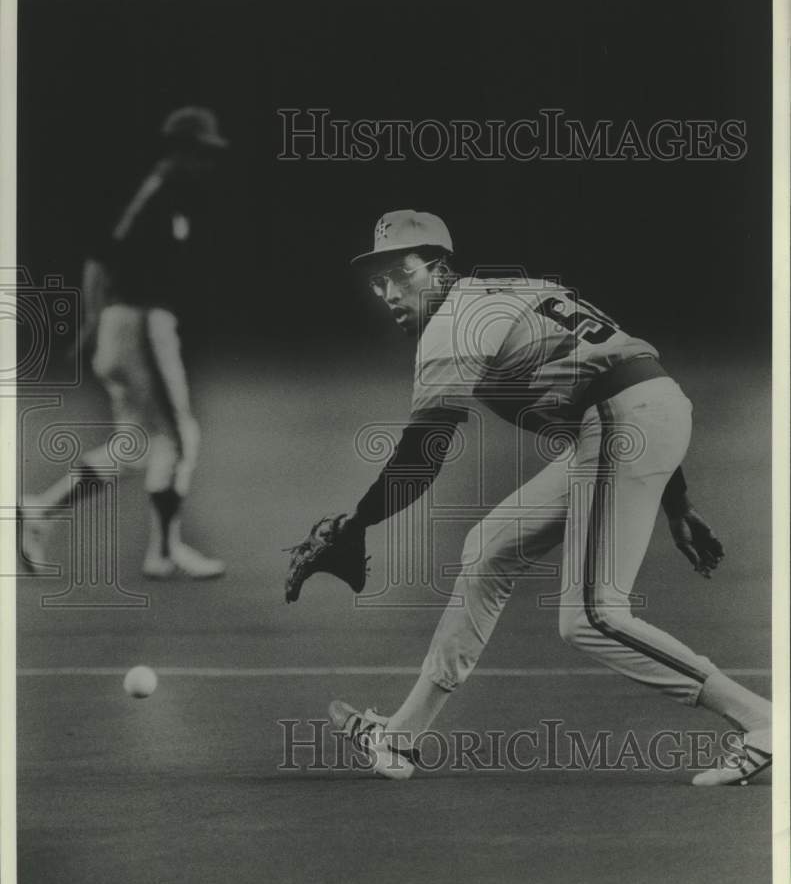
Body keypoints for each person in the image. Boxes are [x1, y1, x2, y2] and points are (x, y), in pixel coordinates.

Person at [328, 209, 771, 787]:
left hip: (621, 420)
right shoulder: (514, 289)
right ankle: (401, 737)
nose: (389, 291)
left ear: (438, 267)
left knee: (589, 617)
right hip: (632, 416)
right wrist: (676, 502)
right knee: (489, 547)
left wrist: (357, 525)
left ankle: (762, 722)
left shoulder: (453, 324)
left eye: (401, 273)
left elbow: (424, 451)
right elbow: (626, 369)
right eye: (379, 280)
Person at [19, 107, 227, 579]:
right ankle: (167, 550)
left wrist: (97, 324)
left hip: (125, 324)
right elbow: (101, 256)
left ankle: (39, 510)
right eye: (200, 152)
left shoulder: (159, 193)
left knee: (134, 446)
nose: (206, 162)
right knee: (179, 436)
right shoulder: (162, 192)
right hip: (140, 322)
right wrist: (96, 322)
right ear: (181, 149)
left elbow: (103, 254)